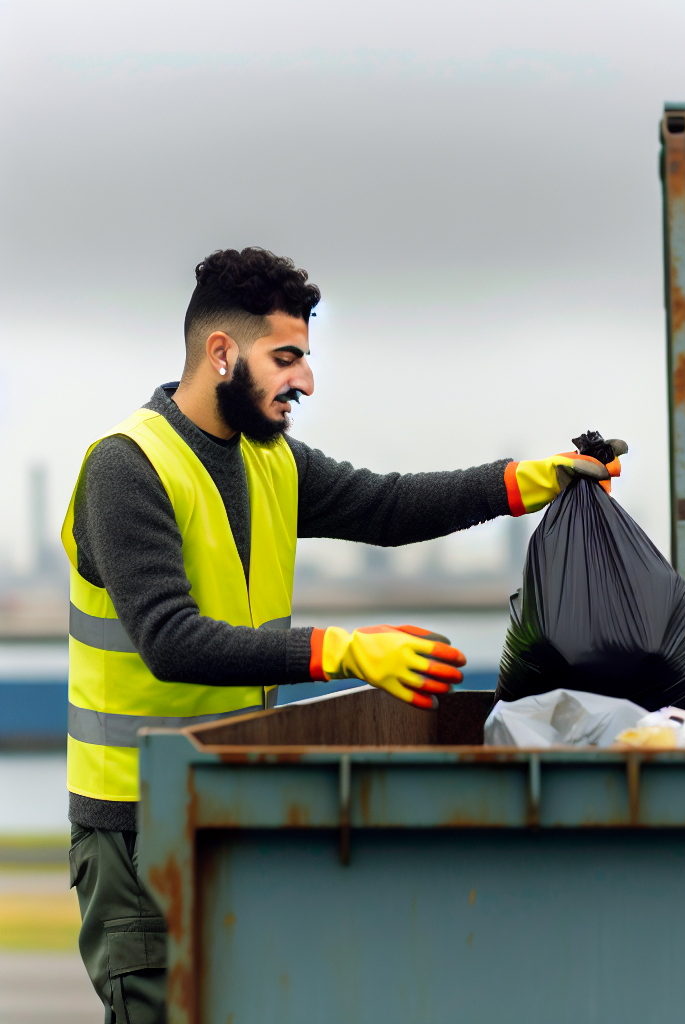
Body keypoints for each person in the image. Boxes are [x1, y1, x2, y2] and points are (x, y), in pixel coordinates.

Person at [63, 247, 623, 1022]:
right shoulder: (128, 468)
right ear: (220, 353)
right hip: (134, 828)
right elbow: (170, 638)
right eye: (286, 357)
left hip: (223, 801)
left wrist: (529, 480)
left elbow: (386, 506)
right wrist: (346, 650)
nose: (305, 381)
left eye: (306, 358)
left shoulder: (269, 460)